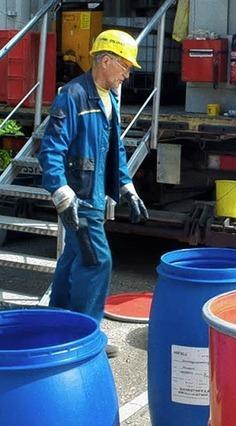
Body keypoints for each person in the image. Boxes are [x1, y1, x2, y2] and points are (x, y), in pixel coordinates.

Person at [38, 30, 149, 358]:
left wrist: (127, 187)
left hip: (96, 194)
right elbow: (51, 149)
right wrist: (61, 192)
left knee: (72, 257)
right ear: (105, 60)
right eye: (125, 67)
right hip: (79, 197)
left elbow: (113, 147)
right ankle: (85, 340)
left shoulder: (110, 97)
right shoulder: (72, 96)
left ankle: (57, 325)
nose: (128, 74)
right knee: (96, 259)